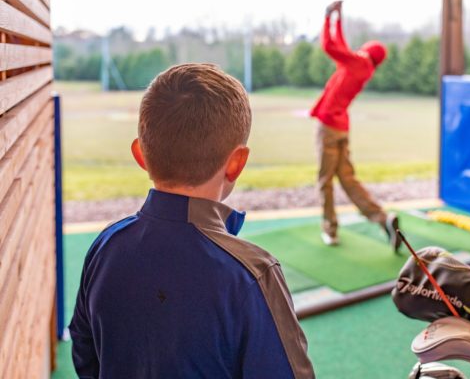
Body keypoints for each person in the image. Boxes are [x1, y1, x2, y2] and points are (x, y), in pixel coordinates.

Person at [69, 63, 315, 379]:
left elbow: (85, 351)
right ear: (237, 163)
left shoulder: (105, 247)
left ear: (141, 153)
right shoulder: (253, 274)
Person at [310, 0, 401, 251]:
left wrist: (328, 15)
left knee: (325, 180)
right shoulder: (362, 66)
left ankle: (330, 230)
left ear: (367, 52)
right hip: (341, 127)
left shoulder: (357, 63)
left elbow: (330, 46)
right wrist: (339, 19)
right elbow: (341, 47)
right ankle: (383, 218)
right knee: (348, 179)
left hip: (329, 125)